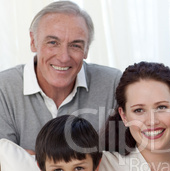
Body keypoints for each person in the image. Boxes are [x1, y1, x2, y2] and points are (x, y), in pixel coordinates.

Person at [0, 1, 122, 154]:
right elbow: (4, 164)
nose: (64, 57)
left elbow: (126, 157)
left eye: (75, 45)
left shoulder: (113, 83)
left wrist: (28, 156)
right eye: (53, 42)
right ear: (33, 42)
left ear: (86, 50)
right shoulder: (3, 88)